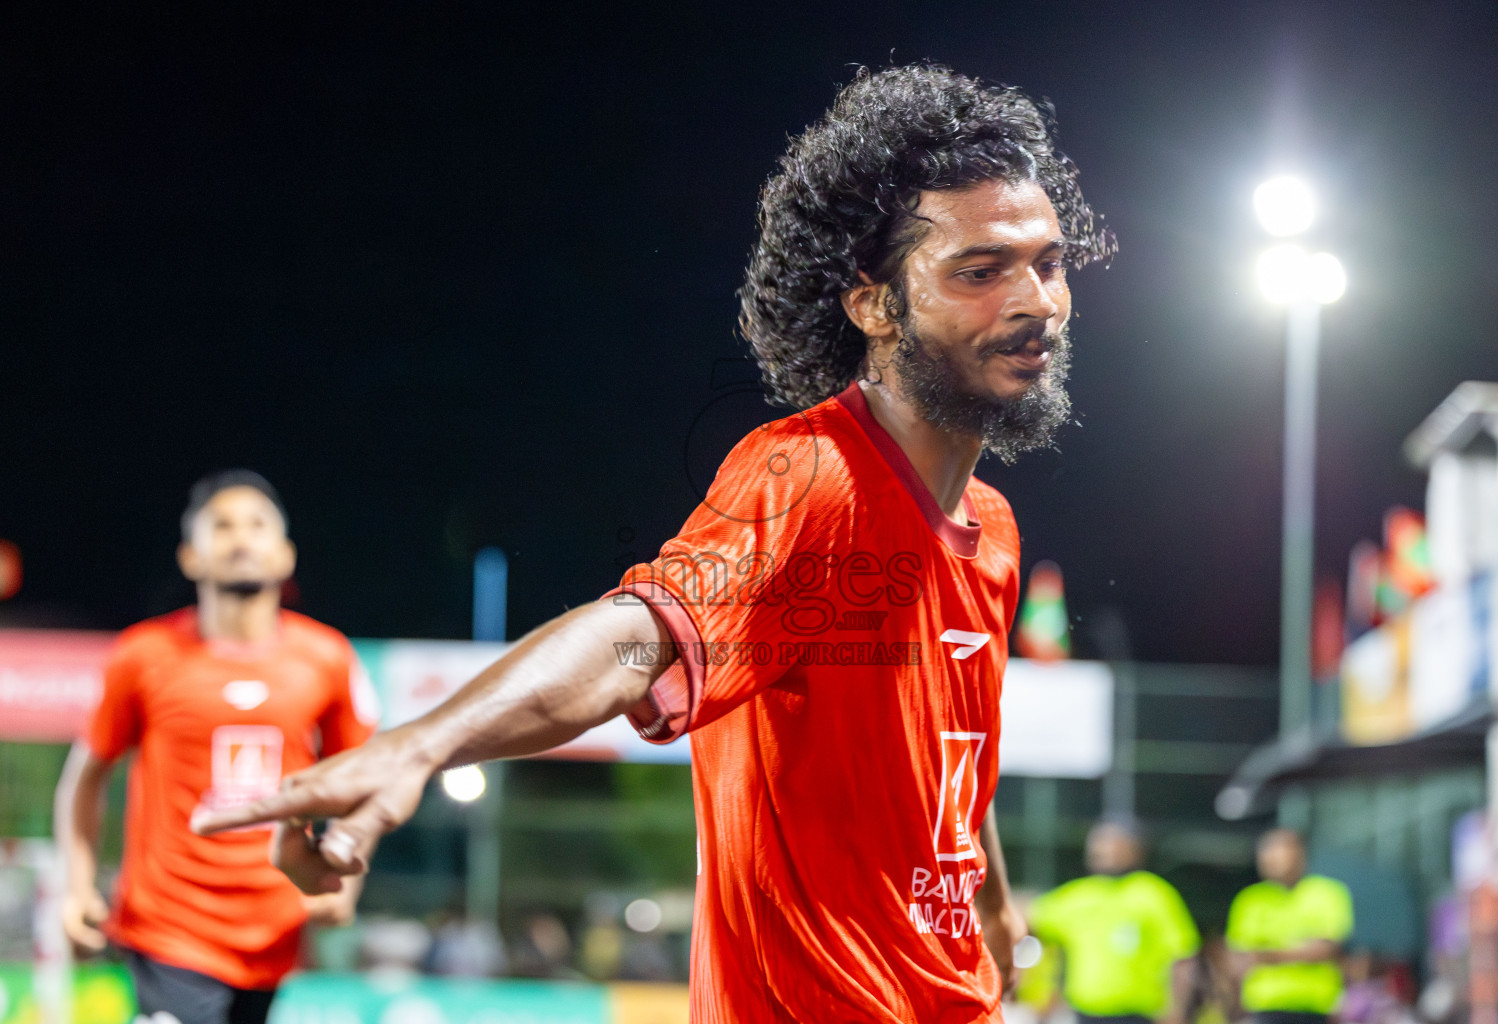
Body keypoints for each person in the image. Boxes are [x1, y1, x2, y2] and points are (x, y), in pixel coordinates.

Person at [194, 63, 1116, 1022]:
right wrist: (419, 747)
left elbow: (948, 768)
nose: (1036, 301)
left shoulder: (994, 532)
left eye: (1046, 263)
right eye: (980, 271)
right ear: (874, 306)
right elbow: (636, 642)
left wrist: (998, 913)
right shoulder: (812, 479)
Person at [54, 470, 379, 1024]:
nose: (240, 538)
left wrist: (349, 873)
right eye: (222, 526)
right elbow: (84, 779)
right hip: (169, 926)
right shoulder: (143, 654)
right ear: (190, 557)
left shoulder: (327, 658)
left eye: (256, 525)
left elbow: (367, 781)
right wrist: (78, 886)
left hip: (275, 927)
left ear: (284, 556)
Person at [1028, 817, 1200, 1024]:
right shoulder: (1078, 895)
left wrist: (1177, 1011)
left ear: (1135, 849)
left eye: (1111, 842)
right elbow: (1028, 919)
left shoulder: (1153, 894)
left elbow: (1183, 957)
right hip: (1084, 1014)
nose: (1102, 850)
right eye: (1097, 843)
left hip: (1137, 1016)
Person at [1226, 828, 1354, 1024]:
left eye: (1276, 850)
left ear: (1299, 853)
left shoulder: (1328, 892)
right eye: (1264, 851)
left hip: (1316, 1006)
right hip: (1264, 1006)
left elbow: (1326, 949)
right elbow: (1241, 957)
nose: (1268, 858)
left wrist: (1268, 954)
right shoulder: (1250, 900)